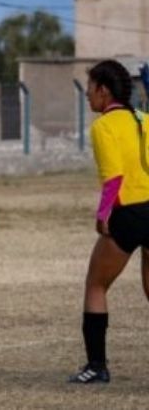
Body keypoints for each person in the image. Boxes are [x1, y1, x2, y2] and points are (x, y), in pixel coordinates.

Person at [68, 60, 149, 384]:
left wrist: (103, 215)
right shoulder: (143, 119)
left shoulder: (104, 126)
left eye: (89, 88)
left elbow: (113, 178)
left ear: (103, 90)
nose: (87, 95)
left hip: (128, 212)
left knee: (96, 285)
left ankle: (96, 366)